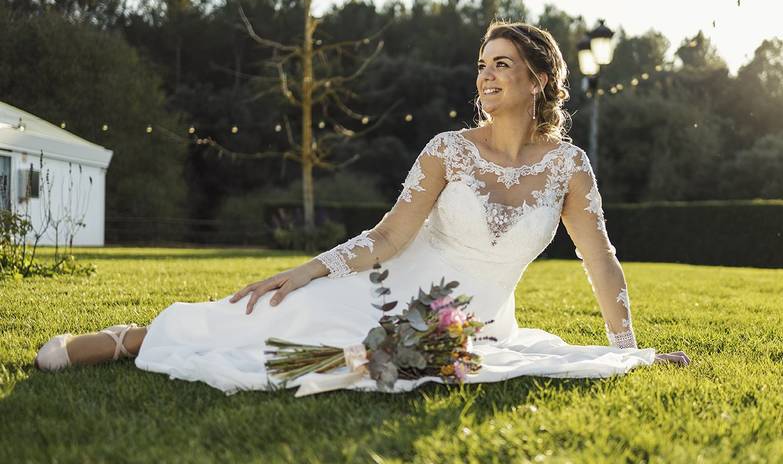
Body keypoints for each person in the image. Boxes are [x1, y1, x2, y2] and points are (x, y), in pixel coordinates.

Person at [34, 21, 690, 393]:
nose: (486, 76)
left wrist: (626, 352)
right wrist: (307, 270)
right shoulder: (447, 150)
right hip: (388, 285)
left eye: (503, 64)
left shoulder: (569, 166)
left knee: (328, 366)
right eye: (482, 65)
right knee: (269, 322)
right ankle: (132, 339)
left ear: (541, 78)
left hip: (463, 325)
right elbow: (388, 236)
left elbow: (599, 259)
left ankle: (147, 342)